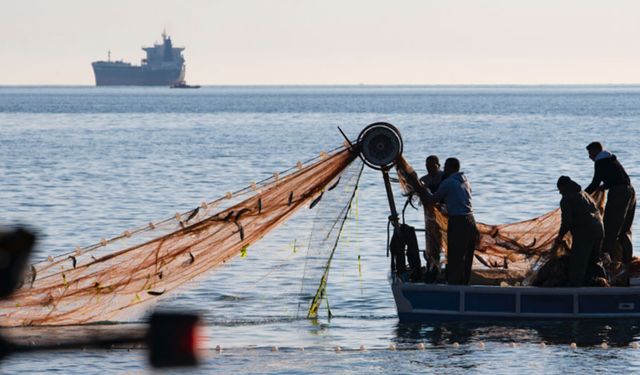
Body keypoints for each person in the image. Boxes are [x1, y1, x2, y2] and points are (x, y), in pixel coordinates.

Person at [420, 158, 477, 285]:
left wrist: (422, 189)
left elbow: (432, 200)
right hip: (471, 221)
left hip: (458, 222)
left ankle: (453, 286)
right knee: (466, 257)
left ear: (451, 168)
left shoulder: (448, 182)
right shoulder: (465, 180)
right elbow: (457, 200)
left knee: (455, 256)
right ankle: (464, 284)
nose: (444, 169)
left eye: (445, 167)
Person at [584, 142, 636, 265]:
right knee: (624, 230)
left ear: (596, 151)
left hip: (619, 194)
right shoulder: (611, 160)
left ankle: (606, 262)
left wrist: (582, 194)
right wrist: (606, 186)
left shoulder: (600, 162)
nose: (590, 157)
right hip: (630, 192)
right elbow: (618, 177)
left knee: (610, 228)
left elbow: (594, 183)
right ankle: (627, 262)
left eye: (590, 153)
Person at [551, 176, 604, 286]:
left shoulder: (566, 199)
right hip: (599, 229)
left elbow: (567, 222)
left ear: (563, 187)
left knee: (578, 263)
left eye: (560, 190)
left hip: (585, 232)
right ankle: (602, 284)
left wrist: (560, 236)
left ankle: (575, 289)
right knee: (594, 261)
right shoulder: (584, 194)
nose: (560, 193)